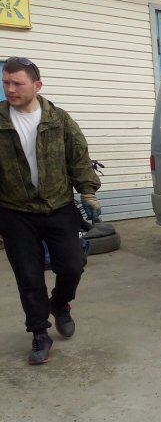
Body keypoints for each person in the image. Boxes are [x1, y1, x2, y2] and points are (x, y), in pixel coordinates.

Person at [0, 57, 101, 365]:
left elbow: (79, 158)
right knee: (29, 277)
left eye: (17, 83)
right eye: (6, 83)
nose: (10, 89)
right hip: (15, 211)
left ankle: (60, 304)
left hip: (59, 207)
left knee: (72, 266)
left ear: (37, 85)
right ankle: (39, 333)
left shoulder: (59, 119)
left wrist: (87, 192)